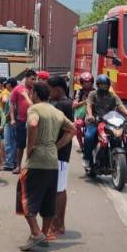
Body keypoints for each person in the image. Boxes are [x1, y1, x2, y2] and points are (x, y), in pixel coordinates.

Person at [16, 81, 74, 251]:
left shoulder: (34, 109)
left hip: (37, 160)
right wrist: (56, 146)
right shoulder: (56, 111)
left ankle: (36, 233)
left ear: (35, 95)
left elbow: (33, 124)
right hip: (52, 160)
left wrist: (31, 146)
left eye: (31, 93)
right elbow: (72, 130)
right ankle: (44, 233)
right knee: (48, 200)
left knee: (25, 196)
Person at [83, 75, 127, 179]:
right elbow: (89, 105)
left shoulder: (113, 96)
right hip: (95, 121)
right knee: (89, 137)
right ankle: (87, 160)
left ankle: (125, 172)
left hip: (109, 122)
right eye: (101, 85)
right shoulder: (93, 94)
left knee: (118, 140)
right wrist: (90, 115)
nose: (103, 87)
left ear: (108, 85)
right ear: (98, 85)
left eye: (105, 85)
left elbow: (121, 106)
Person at [46, 76, 74, 239]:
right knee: (59, 188)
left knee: (59, 189)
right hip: (60, 152)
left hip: (60, 153)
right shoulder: (65, 102)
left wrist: (56, 148)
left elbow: (68, 131)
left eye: (50, 90)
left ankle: (59, 224)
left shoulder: (62, 104)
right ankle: (58, 223)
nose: (48, 93)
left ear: (58, 89)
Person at [2, 71, 33, 172]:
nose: (34, 81)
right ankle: (18, 166)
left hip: (34, 120)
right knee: (20, 145)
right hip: (21, 121)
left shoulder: (36, 89)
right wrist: (12, 119)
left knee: (33, 144)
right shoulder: (18, 89)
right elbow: (12, 105)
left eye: (35, 79)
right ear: (26, 78)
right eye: (32, 79)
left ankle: (30, 166)